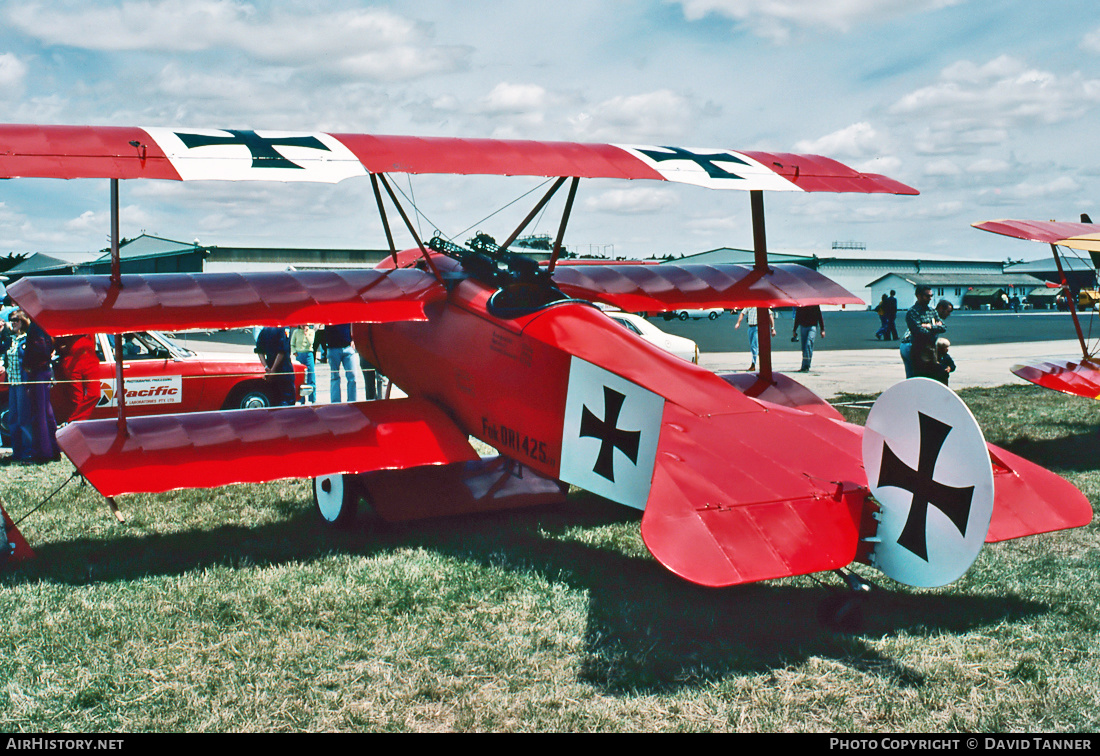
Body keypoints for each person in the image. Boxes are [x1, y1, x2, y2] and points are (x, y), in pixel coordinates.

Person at [21, 315, 59, 463]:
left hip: (37, 371)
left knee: (39, 414)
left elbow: (40, 349)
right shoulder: (42, 325)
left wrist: (28, 365)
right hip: (43, 370)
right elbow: (48, 347)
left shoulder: (35, 327)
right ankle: (54, 449)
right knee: (47, 412)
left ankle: (42, 453)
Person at [899, 286, 947, 379]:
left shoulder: (932, 311)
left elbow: (943, 327)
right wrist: (935, 328)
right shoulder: (912, 312)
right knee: (915, 377)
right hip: (916, 348)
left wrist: (929, 326)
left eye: (931, 296)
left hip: (931, 349)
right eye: (927, 296)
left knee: (930, 376)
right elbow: (918, 332)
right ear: (918, 296)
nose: (930, 298)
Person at [53, 334, 100, 423]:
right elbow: (57, 341)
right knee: (76, 399)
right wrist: (62, 347)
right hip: (72, 360)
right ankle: (75, 424)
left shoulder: (91, 324)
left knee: (95, 394)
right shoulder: (67, 323)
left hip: (90, 359)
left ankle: (74, 421)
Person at [3, 310, 30, 460]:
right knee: (12, 417)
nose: (12, 322)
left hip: (22, 383)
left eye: (16, 320)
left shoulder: (26, 339)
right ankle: (17, 451)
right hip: (12, 383)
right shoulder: (11, 339)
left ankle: (27, 451)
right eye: (11, 320)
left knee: (24, 418)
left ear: (23, 322)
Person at [255, 326, 295, 407]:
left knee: (273, 401)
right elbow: (282, 352)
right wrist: (273, 369)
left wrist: (266, 367)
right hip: (284, 369)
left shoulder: (264, 330)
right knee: (287, 401)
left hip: (270, 367)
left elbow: (259, 351)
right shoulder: (284, 329)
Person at [323, 323, 357, 403]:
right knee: (335, 376)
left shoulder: (346, 313)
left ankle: (352, 401)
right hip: (333, 348)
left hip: (348, 347)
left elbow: (354, 324)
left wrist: (354, 339)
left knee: (352, 376)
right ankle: (335, 403)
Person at [734, 306, 775, 371]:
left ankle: (753, 364)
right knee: (753, 347)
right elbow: (742, 313)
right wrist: (738, 323)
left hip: (757, 327)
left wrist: (772, 328)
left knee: (754, 346)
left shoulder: (760, 306)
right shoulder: (749, 306)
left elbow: (770, 315)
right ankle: (763, 362)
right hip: (750, 327)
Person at [791, 305, 824, 373]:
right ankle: (804, 365)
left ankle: (806, 366)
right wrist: (794, 329)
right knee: (804, 347)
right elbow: (798, 317)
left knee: (808, 344)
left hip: (812, 326)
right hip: (803, 326)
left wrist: (822, 329)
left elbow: (819, 316)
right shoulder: (801, 305)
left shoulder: (815, 305)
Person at [290, 325, 317, 404]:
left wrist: (306, 334)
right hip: (299, 354)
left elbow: (311, 342)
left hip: (308, 354)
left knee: (311, 376)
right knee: (300, 377)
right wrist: (294, 352)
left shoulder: (311, 332)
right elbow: (292, 344)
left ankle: (312, 399)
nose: (304, 325)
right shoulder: (296, 332)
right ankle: (301, 399)